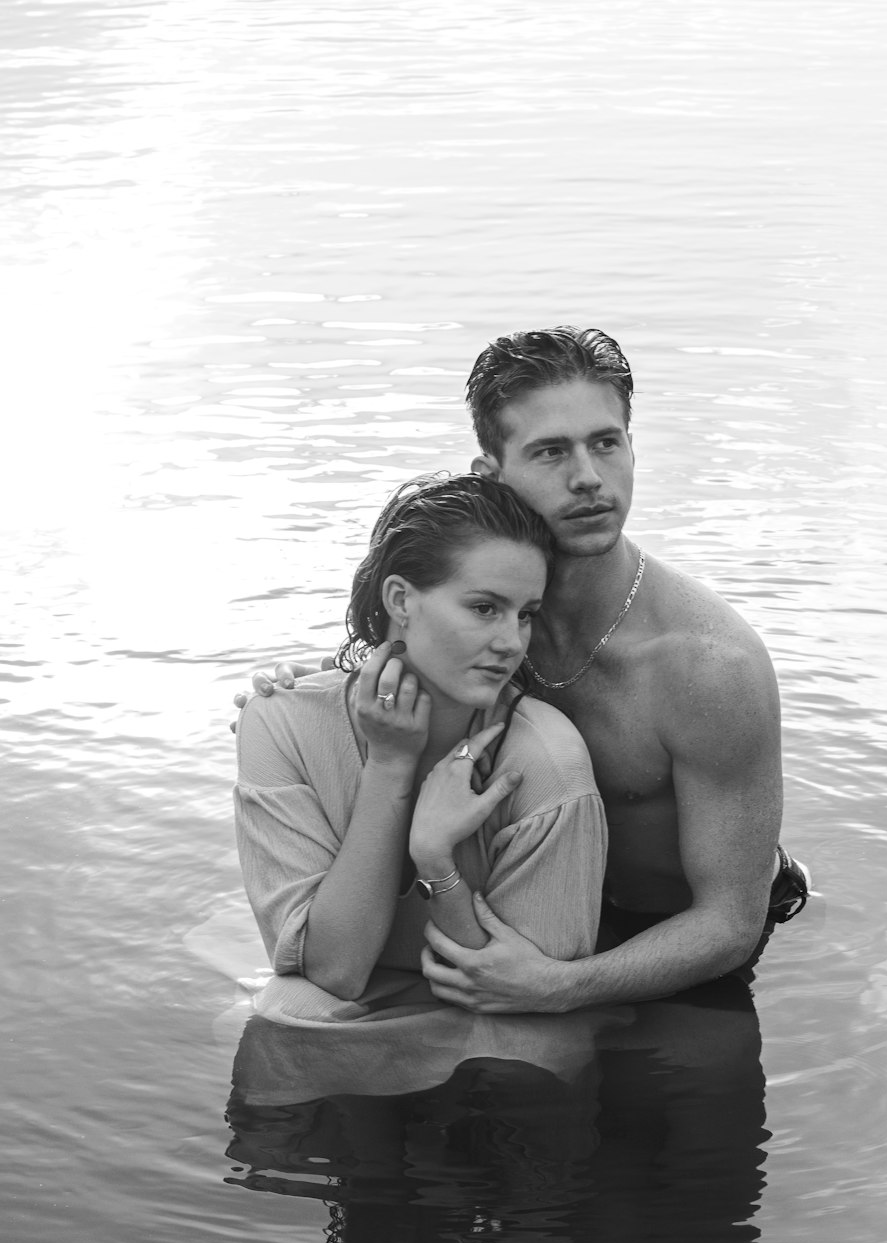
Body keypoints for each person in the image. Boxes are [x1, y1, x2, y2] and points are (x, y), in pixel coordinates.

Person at [236, 327, 809, 1014]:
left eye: (607, 442)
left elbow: (729, 923)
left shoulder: (707, 667)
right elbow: (401, 633)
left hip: (681, 948)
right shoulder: (496, 629)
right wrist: (301, 686)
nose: (589, 477)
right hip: (542, 916)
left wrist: (560, 988)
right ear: (490, 474)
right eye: (550, 452)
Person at [233, 470, 608, 1043]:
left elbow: (527, 999)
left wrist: (437, 860)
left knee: (524, 1056)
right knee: (288, 1013)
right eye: (485, 608)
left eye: (525, 613)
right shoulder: (279, 724)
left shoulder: (544, 764)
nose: (511, 641)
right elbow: (333, 972)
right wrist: (390, 766)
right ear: (401, 600)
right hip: (361, 1001)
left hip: (491, 1024)